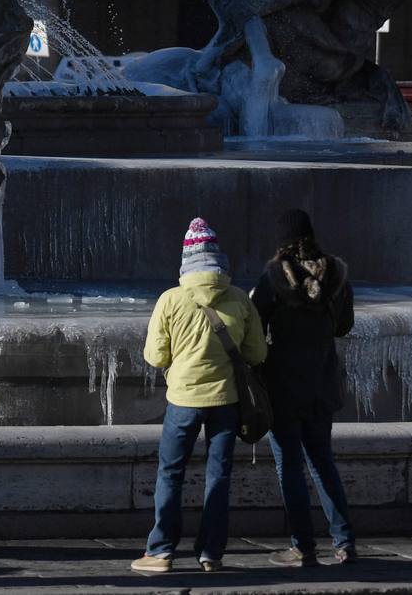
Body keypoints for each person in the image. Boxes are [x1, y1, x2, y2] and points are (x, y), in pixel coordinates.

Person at [132, 218, 267, 574]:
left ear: (186, 260)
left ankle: (160, 552)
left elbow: (155, 357)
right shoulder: (239, 299)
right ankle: (211, 553)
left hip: (183, 403)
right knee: (218, 476)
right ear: (218, 259)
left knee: (171, 474)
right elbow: (256, 355)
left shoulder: (170, 300)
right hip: (226, 402)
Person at [251, 208, 357, 567]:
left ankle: (302, 547)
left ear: (281, 239)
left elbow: (255, 329)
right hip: (322, 385)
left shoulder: (272, 278)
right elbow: (344, 326)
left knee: (290, 468)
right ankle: (345, 543)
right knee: (323, 462)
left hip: (283, 387)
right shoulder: (338, 276)